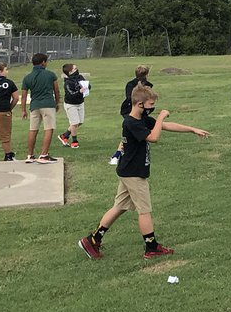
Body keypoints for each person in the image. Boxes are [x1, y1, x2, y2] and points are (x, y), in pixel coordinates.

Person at [78, 85, 209, 260]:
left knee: (120, 206)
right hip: (134, 174)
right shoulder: (131, 122)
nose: (152, 108)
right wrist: (161, 115)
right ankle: (151, 247)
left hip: (127, 171)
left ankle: (92, 240)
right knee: (144, 210)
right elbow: (153, 137)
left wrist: (192, 129)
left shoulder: (142, 119)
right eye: (151, 104)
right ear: (140, 104)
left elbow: (164, 126)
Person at [19, 52, 61, 163]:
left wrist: (23, 110)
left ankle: (30, 155)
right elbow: (56, 90)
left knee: (33, 129)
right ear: (43, 62)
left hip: (34, 105)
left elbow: (23, 96)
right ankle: (44, 155)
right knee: (48, 129)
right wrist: (57, 102)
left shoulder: (27, 77)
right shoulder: (50, 75)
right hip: (47, 104)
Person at [111, 65, 153, 165]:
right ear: (146, 74)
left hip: (142, 110)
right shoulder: (131, 85)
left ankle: (119, 154)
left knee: (134, 133)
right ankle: (117, 155)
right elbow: (131, 98)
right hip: (129, 110)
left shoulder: (148, 85)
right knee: (129, 132)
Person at [58, 63, 87, 149]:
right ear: (70, 72)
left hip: (80, 102)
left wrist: (87, 87)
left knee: (80, 122)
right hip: (71, 104)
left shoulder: (80, 77)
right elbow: (71, 94)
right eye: (75, 69)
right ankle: (74, 141)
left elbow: (86, 85)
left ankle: (65, 135)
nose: (77, 70)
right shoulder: (67, 82)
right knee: (74, 123)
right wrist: (80, 92)